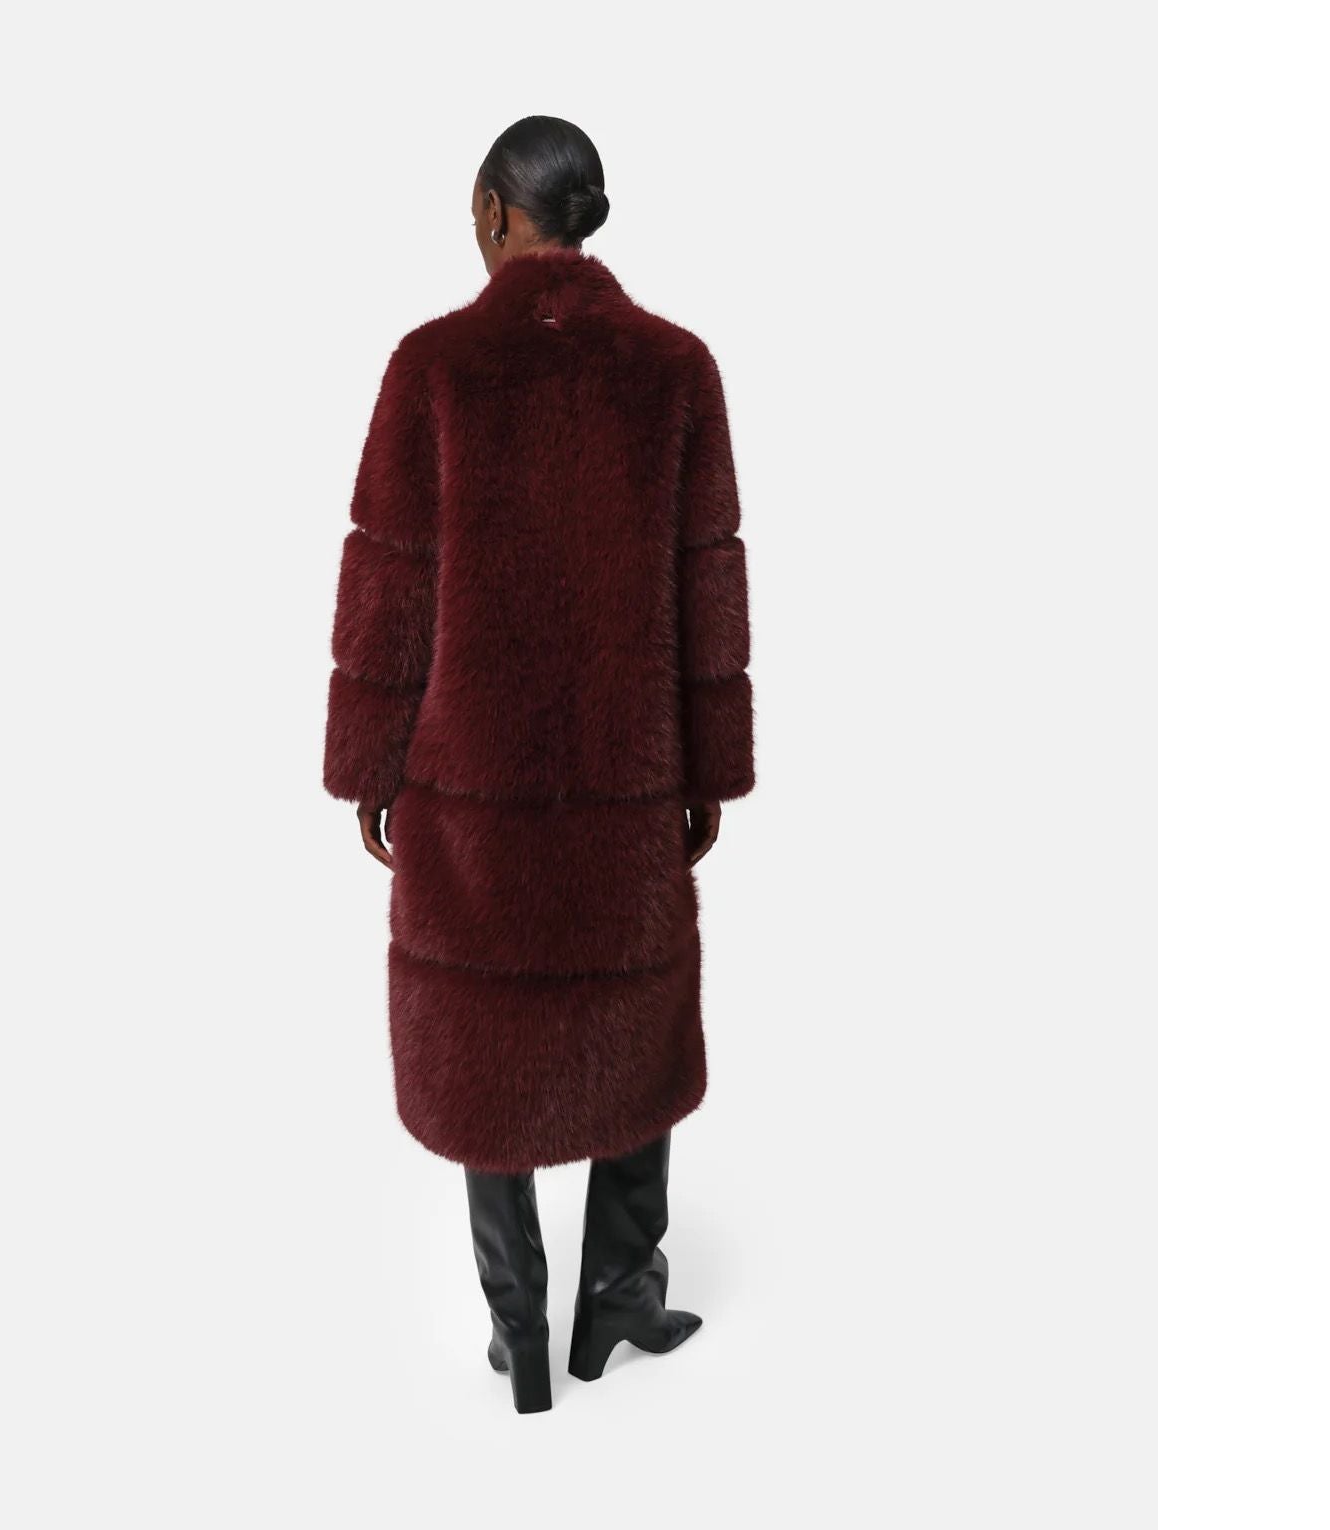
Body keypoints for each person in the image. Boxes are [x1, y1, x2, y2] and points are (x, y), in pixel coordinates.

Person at [322, 115, 754, 1414]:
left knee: (484, 1032)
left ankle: (518, 1324)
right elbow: (707, 587)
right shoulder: (675, 370)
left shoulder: (434, 368)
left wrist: (369, 765)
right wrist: (710, 769)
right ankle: (617, 1293)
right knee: (635, 1013)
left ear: (494, 212)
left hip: (471, 786)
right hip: (630, 775)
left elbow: (391, 583)